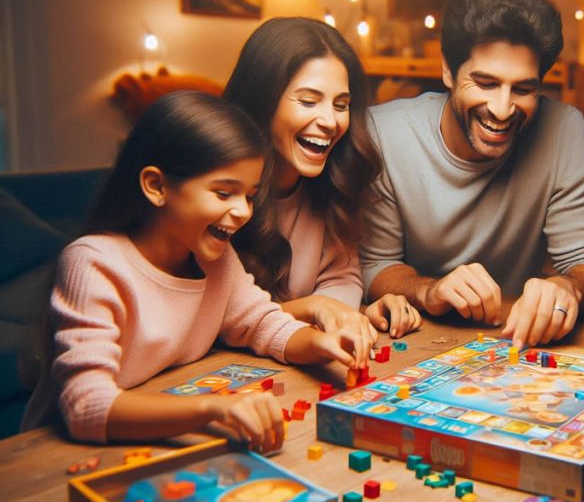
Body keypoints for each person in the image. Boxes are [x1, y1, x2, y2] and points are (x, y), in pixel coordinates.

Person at [21, 92, 374, 450]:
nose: (243, 212)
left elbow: (262, 323)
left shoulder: (215, 258)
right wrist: (212, 408)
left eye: (250, 196)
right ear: (156, 186)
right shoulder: (93, 263)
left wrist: (319, 343)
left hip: (156, 436)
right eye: (223, 193)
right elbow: (85, 406)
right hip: (61, 456)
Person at [359, 0, 584, 349]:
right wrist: (430, 290)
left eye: (523, 89)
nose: (503, 108)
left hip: (513, 339)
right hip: (413, 336)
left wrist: (569, 286)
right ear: (448, 70)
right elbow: (376, 264)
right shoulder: (383, 134)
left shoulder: (563, 130)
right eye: (486, 83)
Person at [223, 18, 421, 341]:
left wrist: (344, 315)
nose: (330, 121)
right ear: (262, 100)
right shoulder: (213, 191)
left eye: (341, 105)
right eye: (308, 101)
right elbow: (215, 315)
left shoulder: (332, 182)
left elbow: (341, 279)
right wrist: (313, 308)